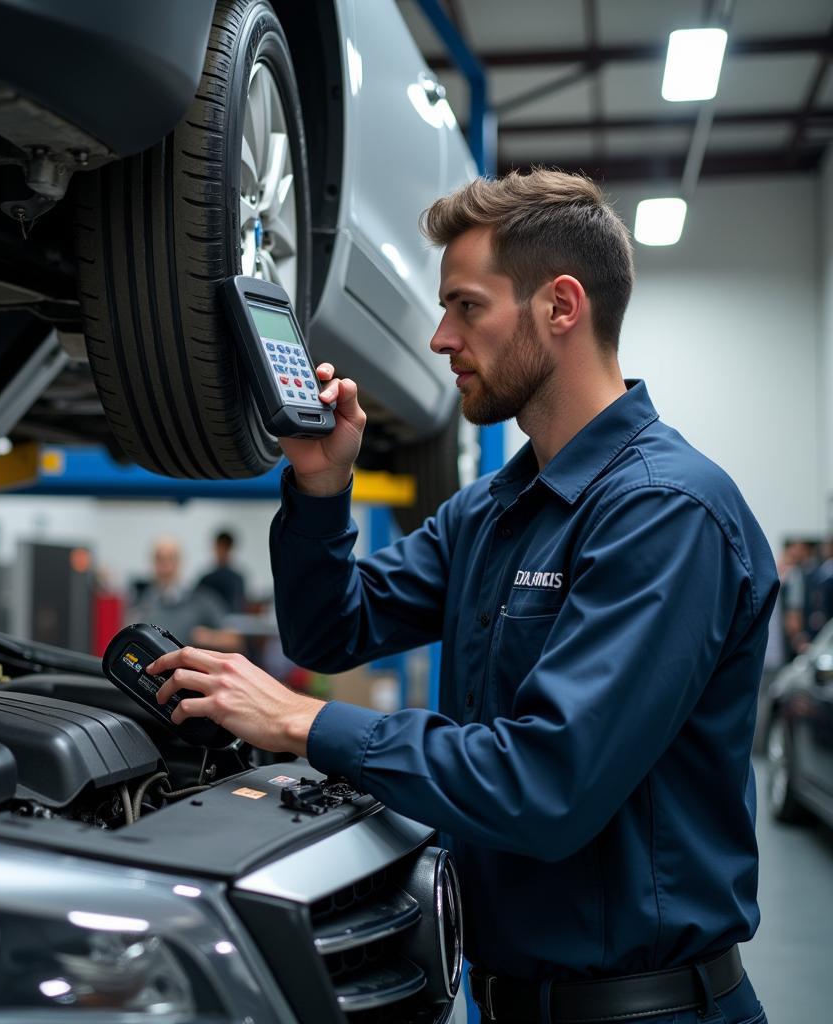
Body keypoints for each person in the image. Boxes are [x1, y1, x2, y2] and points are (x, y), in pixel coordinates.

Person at [148, 170, 778, 1024]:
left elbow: (546, 786)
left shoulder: (665, 513)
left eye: (466, 306)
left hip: (648, 1010)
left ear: (561, 307)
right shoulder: (492, 511)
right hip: (504, 998)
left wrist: (307, 724)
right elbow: (331, 629)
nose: (441, 338)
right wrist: (323, 487)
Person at [129, 536, 242, 652]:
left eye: (170, 558)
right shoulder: (142, 604)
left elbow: (233, 639)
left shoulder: (202, 600)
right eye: (159, 558)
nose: (165, 565)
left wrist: (209, 638)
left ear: (179, 561)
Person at [197, 529, 247, 613]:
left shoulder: (237, 579)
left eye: (225, 548)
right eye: (220, 547)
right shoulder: (206, 579)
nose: (222, 551)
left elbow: (239, 607)